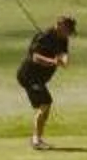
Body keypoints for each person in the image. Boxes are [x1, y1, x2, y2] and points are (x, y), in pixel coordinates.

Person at [17, 14, 75, 148]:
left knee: (45, 106)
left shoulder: (63, 39)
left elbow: (64, 54)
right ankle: (36, 140)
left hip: (39, 78)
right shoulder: (43, 37)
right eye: (68, 30)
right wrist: (53, 61)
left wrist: (64, 61)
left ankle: (37, 139)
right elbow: (35, 57)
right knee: (45, 103)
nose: (69, 34)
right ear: (59, 26)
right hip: (29, 75)